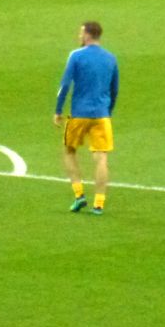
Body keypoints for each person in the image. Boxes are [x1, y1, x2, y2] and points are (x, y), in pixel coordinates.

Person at [54, 21, 120, 215]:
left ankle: (79, 194)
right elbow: (114, 89)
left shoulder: (76, 55)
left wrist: (58, 110)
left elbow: (65, 85)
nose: (79, 36)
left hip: (79, 115)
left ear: (88, 35)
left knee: (69, 151)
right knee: (101, 159)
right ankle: (99, 204)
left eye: (81, 33)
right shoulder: (111, 58)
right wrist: (108, 111)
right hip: (102, 115)